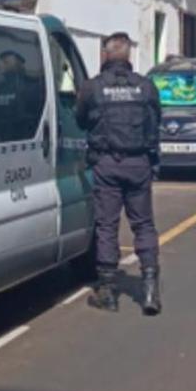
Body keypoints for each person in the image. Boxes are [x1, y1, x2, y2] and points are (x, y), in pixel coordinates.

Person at [76, 32, 162, 316]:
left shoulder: (92, 88)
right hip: (139, 165)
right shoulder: (146, 87)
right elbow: (156, 121)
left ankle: (108, 291)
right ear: (128, 56)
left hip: (107, 164)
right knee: (144, 225)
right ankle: (150, 289)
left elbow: (80, 119)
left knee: (107, 226)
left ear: (105, 55)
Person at [0, 50, 43, 141]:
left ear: (20, 64)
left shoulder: (33, 86)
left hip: (25, 140)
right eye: (3, 62)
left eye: (6, 62)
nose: (3, 65)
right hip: (4, 141)